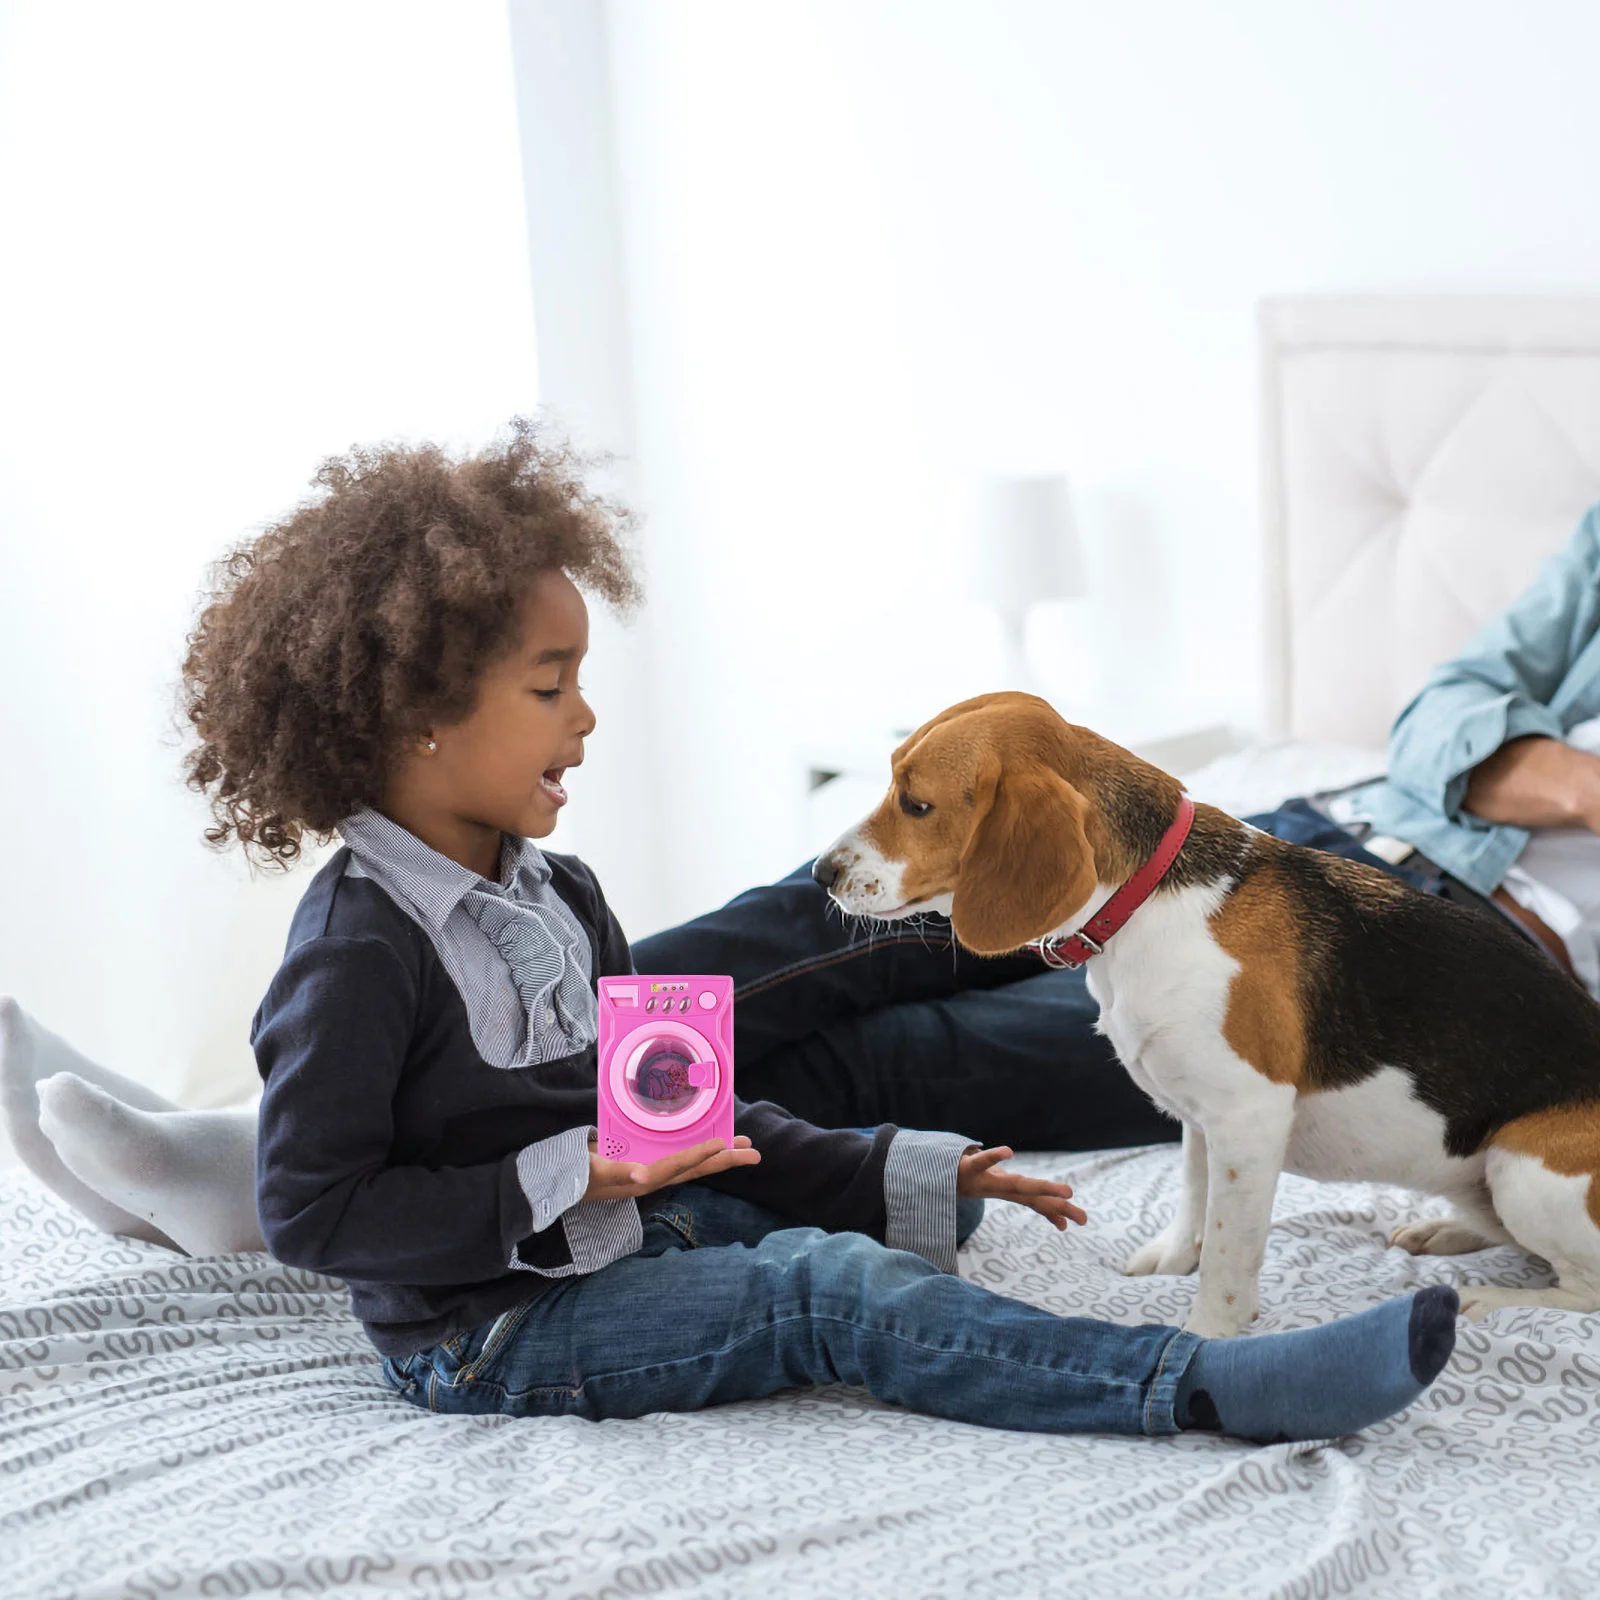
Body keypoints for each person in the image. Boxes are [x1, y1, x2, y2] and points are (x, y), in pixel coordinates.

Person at [0, 418, 1457, 1444]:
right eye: (549, 683)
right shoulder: (355, 958)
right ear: (415, 717)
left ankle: (919, 1210)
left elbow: (688, 1116)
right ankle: (1196, 1388)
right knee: (830, 1289)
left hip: (604, 1239)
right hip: (483, 1331)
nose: (587, 714)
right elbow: (320, 1218)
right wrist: (591, 1164)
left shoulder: (556, 894)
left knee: (834, 1196)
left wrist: (912, 1173)